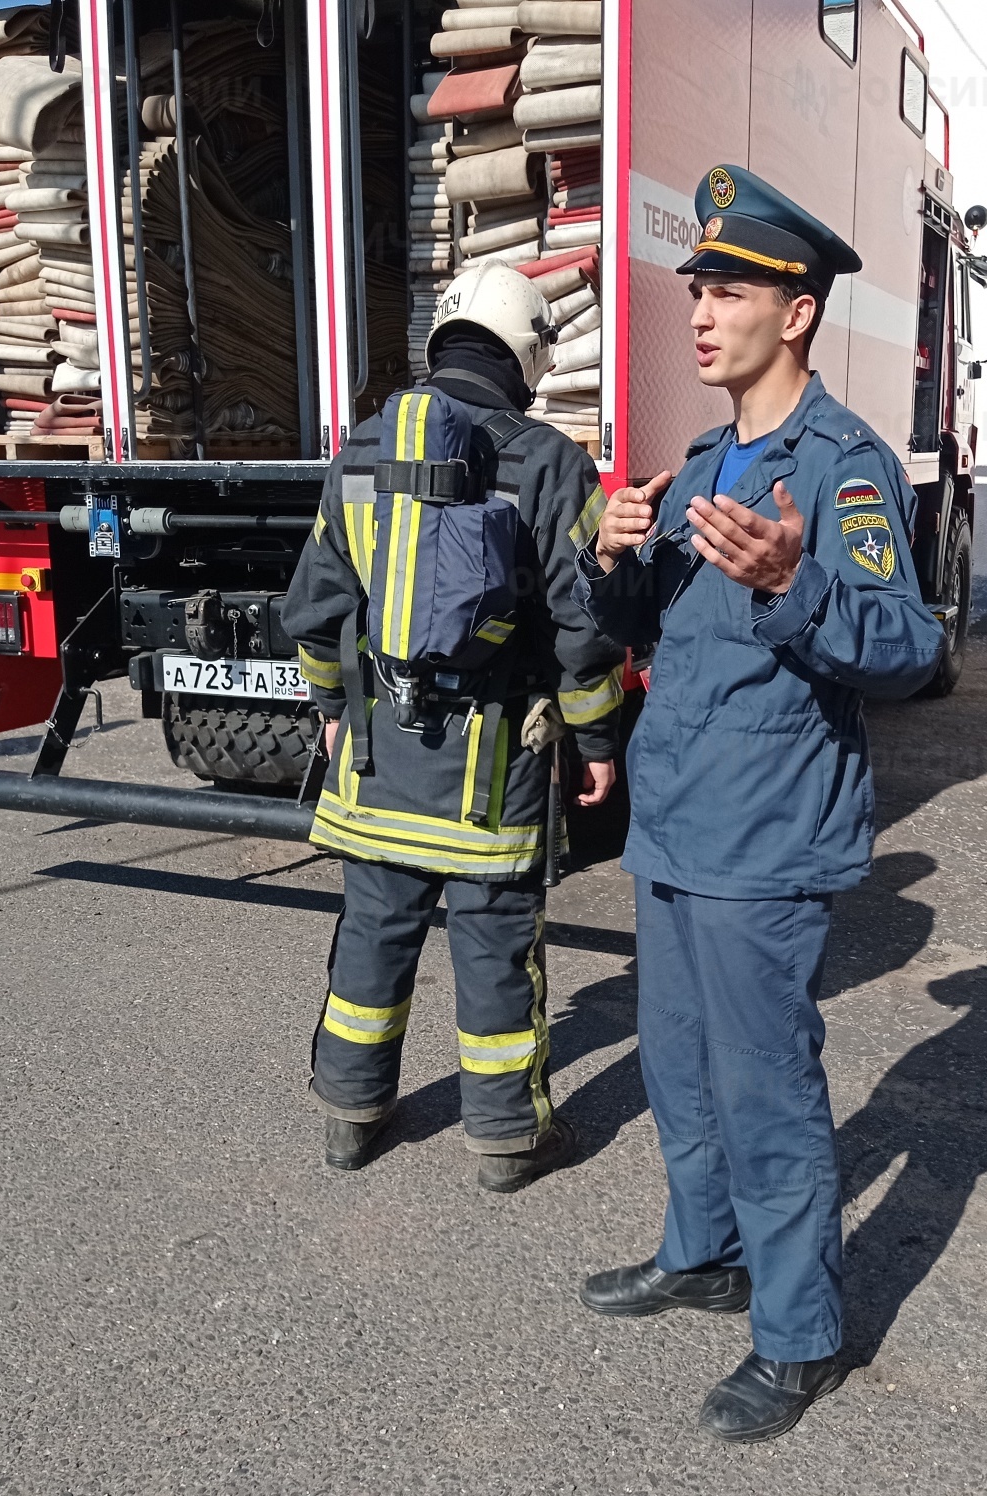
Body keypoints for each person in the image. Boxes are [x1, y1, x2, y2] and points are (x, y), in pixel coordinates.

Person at [572, 166, 945, 1441]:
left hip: (765, 835)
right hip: (676, 819)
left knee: (764, 1086)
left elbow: (907, 648)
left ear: (795, 312)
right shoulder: (693, 463)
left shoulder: (840, 467)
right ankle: (704, 1251)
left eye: (725, 289)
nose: (697, 309)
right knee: (677, 1068)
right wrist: (611, 555)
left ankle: (798, 1334)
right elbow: (649, 630)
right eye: (694, 286)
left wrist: (798, 585)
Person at [284, 262, 626, 1194]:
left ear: (443, 338)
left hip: (374, 764)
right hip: (495, 772)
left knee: (373, 934)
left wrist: (329, 714)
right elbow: (583, 627)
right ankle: (508, 1140)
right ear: (527, 353)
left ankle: (352, 1117)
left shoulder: (358, 451)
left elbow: (315, 609)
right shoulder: (553, 462)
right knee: (495, 950)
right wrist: (595, 743)